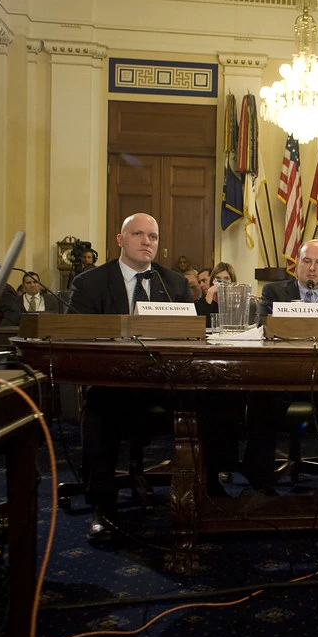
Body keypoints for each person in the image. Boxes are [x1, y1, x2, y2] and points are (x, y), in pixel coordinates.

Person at [69, 213, 197, 540]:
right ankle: (104, 507)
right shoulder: (90, 282)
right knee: (98, 408)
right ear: (120, 239)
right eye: (138, 234)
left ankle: (203, 494)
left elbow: (190, 337)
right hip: (113, 383)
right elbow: (77, 339)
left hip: (163, 382)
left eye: (152, 237)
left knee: (209, 400)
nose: (146, 242)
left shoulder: (176, 283)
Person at [247, 240, 318, 494]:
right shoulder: (274, 293)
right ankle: (261, 481)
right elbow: (262, 331)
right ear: (296, 264)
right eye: (306, 261)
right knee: (259, 398)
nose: (312, 269)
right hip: (282, 378)